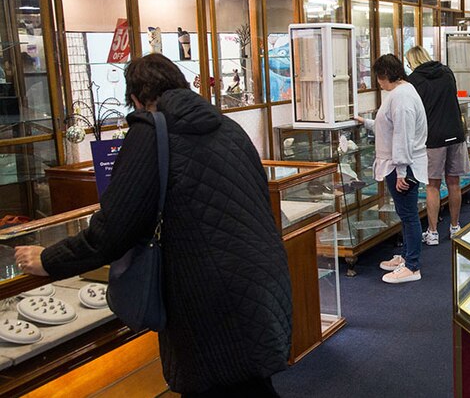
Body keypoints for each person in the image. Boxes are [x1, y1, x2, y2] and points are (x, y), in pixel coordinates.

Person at [14, 54, 292, 396]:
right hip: (261, 278)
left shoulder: (151, 132)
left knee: (225, 386)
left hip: (207, 296)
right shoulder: (227, 127)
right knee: (248, 383)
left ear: (136, 99)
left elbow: (114, 228)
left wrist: (49, 260)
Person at [355, 54, 428, 283]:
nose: (378, 82)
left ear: (385, 75)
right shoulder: (400, 93)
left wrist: (401, 171)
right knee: (406, 215)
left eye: (378, 77)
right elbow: (389, 126)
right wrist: (366, 123)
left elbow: (402, 136)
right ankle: (407, 257)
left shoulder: (402, 97)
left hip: (404, 166)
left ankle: (412, 266)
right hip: (400, 164)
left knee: (408, 215)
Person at [405, 46, 470, 245]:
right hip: (455, 133)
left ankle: (432, 232)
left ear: (412, 62)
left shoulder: (413, 81)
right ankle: (455, 227)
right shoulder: (447, 72)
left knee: (432, 185)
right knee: (454, 183)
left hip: (432, 137)